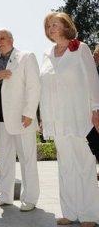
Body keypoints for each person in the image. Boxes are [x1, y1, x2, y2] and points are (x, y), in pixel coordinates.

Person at [39, 12, 99, 227]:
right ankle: (70, 212)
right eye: (48, 25)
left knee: (84, 163)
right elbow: (43, 88)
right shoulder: (46, 53)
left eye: (55, 24)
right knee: (65, 166)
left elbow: (93, 80)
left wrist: (96, 109)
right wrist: (44, 117)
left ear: (66, 26)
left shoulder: (79, 48)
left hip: (79, 115)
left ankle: (90, 214)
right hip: (57, 118)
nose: (51, 28)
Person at [0, 28, 40, 212]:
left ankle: (30, 199)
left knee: (27, 159)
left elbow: (34, 86)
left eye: (2, 38)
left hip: (22, 119)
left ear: (11, 39)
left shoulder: (26, 57)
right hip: (0, 120)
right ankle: (5, 196)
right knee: (4, 161)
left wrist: (29, 113)